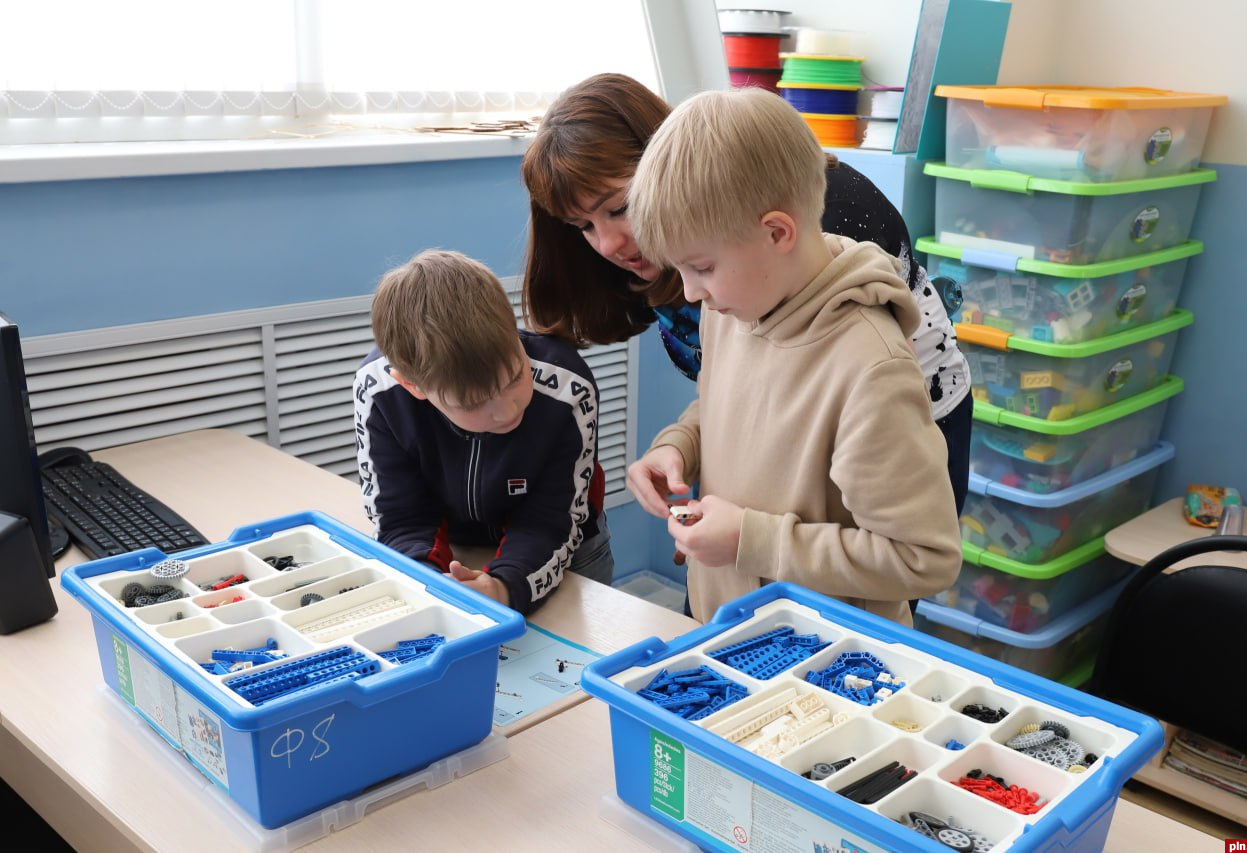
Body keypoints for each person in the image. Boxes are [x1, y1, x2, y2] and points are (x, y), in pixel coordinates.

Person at [521, 73, 972, 515]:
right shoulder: (686, 253)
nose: (606, 246)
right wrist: (688, 451)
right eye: (583, 226)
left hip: (895, 436)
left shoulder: (806, 243)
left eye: (618, 208)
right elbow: (738, 388)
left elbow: (899, 550)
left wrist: (744, 533)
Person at [623, 87, 962, 626]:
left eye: (702, 268)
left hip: (826, 666)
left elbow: (923, 558)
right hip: (729, 629)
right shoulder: (733, 308)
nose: (688, 293)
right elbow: (724, 404)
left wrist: (750, 540)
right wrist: (680, 446)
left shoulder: (869, 370)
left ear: (777, 232)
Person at [353, 249, 613, 614]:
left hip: (562, 556)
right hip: (455, 554)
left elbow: (549, 522)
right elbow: (402, 518)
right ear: (414, 386)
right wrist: (426, 582)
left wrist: (505, 589)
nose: (509, 409)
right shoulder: (380, 393)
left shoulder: (566, 387)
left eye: (515, 377)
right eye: (474, 403)